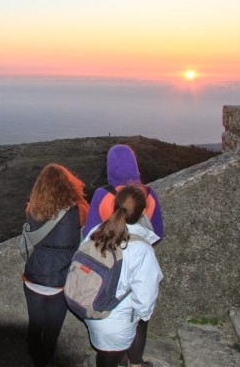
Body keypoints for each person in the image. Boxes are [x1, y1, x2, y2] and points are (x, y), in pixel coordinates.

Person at [83, 144, 164, 367]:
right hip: (137, 264)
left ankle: (118, 356)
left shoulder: (102, 195)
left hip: (107, 267)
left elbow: (88, 236)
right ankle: (136, 363)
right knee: (139, 317)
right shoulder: (149, 195)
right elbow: (158, 234)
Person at [22, 163, 90, 367]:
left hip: (33, 278)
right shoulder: (78, 211)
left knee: (34, 330)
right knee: (52, 333)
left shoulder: (31, 209)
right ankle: (45, 361)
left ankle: (38, 362)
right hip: (61, 281)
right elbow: (86, 211)